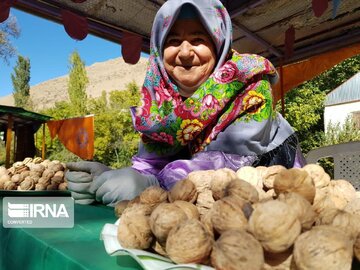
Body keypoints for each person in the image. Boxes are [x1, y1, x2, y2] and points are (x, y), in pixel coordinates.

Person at [65, 0, 306, 206]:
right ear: (158, 48)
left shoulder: (249, 83)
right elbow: (151, 164)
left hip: (270, 199)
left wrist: (152, 183)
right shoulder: (159, 99)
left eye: (198, 38)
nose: (185, 52)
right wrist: (109, 178)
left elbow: (229, 169)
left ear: (218, 43)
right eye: (173, 40)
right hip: (193, 209)